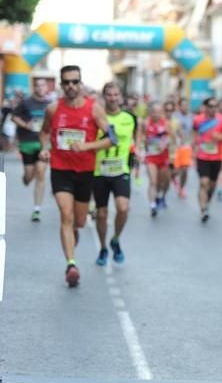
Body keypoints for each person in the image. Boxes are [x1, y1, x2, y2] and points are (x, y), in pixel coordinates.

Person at [39, 65, 115, 286]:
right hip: (61, 169)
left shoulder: (94, 109)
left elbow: (112, 139)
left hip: (85, 171)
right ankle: (71, 264)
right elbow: (44, 132)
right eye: (66, 82)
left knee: (79, 221)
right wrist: (44, 148)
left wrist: (86, 146)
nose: (71, 86)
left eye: (74, 82)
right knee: (66, 215)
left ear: (80, 83)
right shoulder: (53, 109)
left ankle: (72, 237)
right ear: (61, 85)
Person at [93, 82, 136, 265]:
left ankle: (115, 239)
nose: (113, 98)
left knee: (123, 208)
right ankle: (103, 248)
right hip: (99, 171)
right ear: (104, 97)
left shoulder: (129, 117)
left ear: (121, 96)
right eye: (109, 95)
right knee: (101, 214)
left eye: (116, 94)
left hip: (121, 170)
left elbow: (134, 139)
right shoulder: (96, 118)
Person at [12, 78, 51, 221]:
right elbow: (14, 117)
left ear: (47, 87)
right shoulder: (26, 102)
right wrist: (25, 124)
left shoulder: (51, 104)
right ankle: (27, 177)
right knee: (29, 176)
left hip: (44, 145)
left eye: (43, 85)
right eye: (37, 85)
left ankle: (37, 209)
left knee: (41, 172)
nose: (40, 88)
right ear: (34, 87)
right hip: (27, 142)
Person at [193, 98, 222, 222]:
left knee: (212, 184)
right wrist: (194, 146)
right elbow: (194, 133)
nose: (213, 108)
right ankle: (203, 209)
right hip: (202, 156)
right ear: (205, 107)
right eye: (210, 106)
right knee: (204, 182)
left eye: (215, 106)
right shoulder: (198, 119)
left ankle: (206, 201)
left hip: (217, 157)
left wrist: (220, 136)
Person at [139, 102, 173, 217]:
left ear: (162, 113)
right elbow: (140, 138)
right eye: (154, 111)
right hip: (151, 157)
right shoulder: (145, 123)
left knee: (162, 182)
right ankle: (152, 205)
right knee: (153, 181)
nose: (156, 114)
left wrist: (165, 143)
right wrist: (141, 149)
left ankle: (159, 196)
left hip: (163, 157)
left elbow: (172, 139)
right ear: (150, 112)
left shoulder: (167, 123)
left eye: (158, 112)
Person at [173, 98, 193, 198]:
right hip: (175, 146)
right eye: (183, 105)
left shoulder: (191, 117)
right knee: (175, 170)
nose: (185, 107)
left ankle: (181, 189)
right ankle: (173, 177)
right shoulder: (174, 116)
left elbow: (194, 131)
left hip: (186, 146)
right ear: (179, 106)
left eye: (186, 105)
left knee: (185, 169)